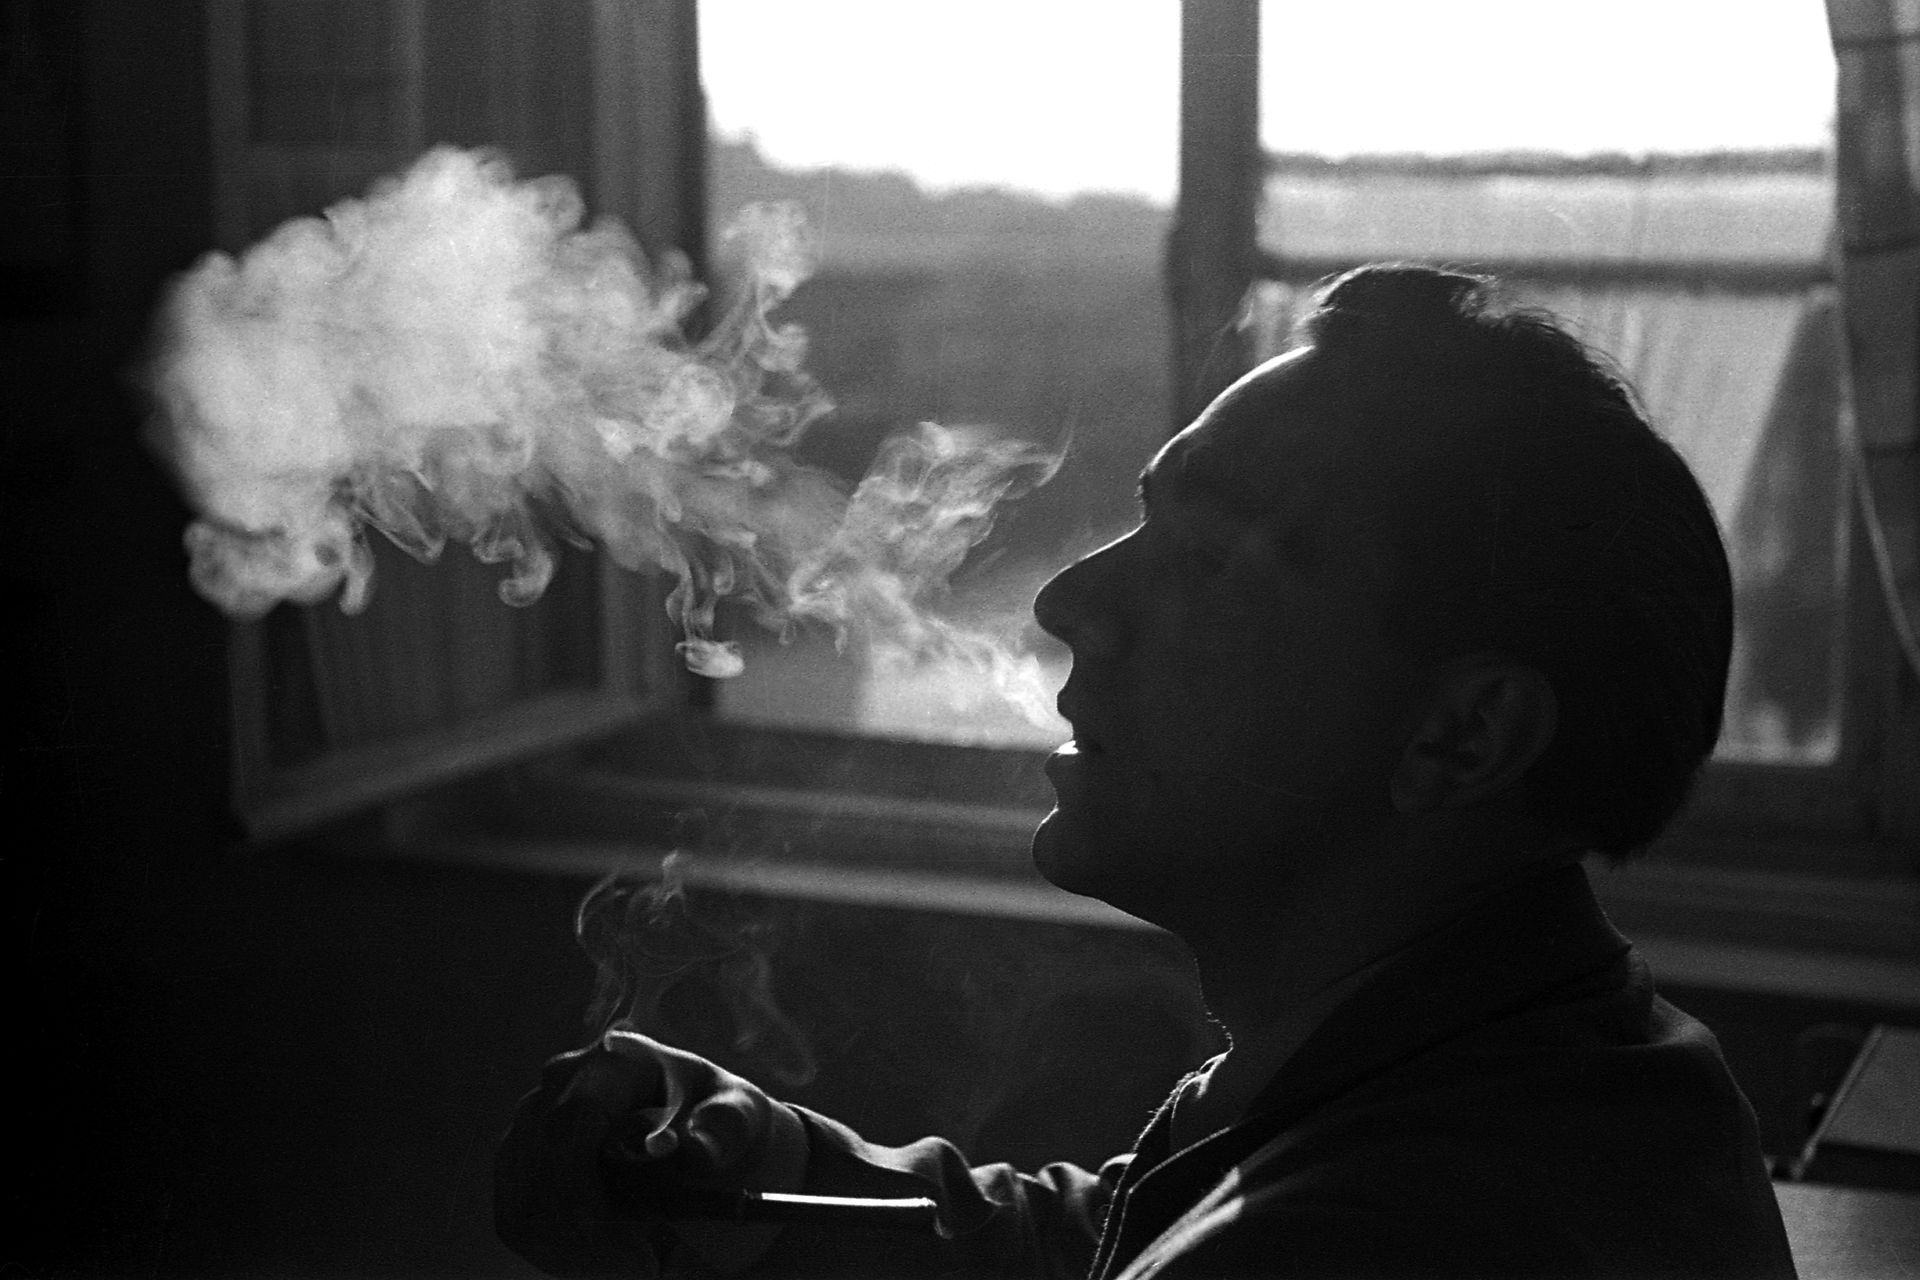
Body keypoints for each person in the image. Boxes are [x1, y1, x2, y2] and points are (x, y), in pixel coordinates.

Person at [494, 265, 1799, 1279]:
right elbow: (1122, 1240)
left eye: (1209, 561)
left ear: (1461, 737)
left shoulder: (1367, 1238)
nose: (1070, 601)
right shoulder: (1526, 1067)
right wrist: (778, 1183)